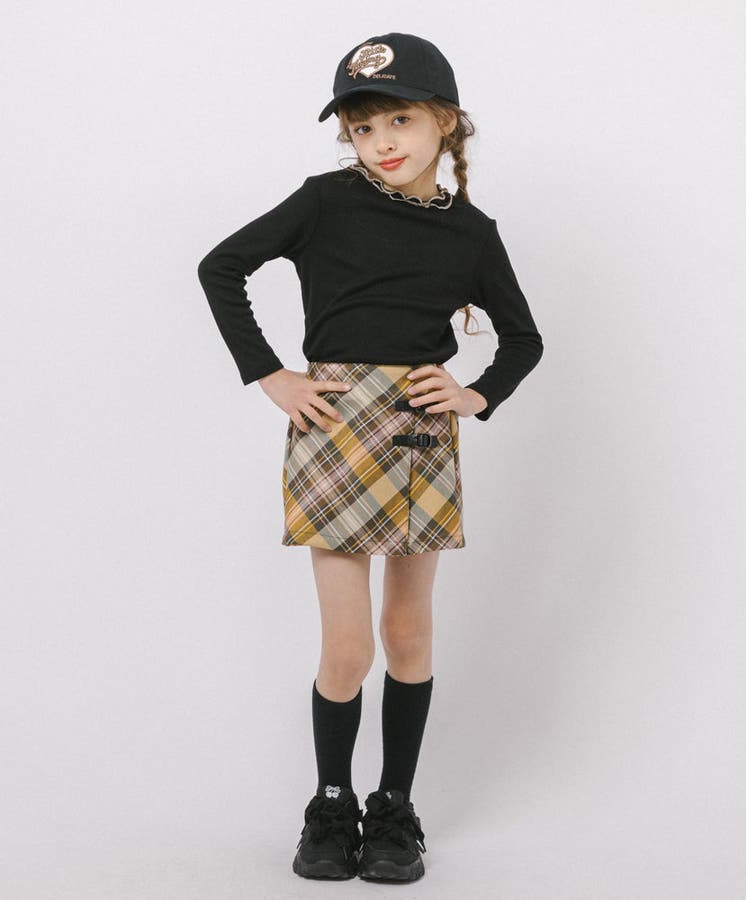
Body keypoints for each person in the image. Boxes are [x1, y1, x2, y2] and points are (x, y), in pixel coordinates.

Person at [197, 31, 544, 883]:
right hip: (333, 427)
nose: (381, 141)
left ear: (445, 122)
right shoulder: (325, 202)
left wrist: (476, 393)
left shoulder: (471, 233)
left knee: (409, 632)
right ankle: (330, 804)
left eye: (399, 120)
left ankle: (394, 809)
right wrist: (271, 375)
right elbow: (221, 267)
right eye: (361, 127)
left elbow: (524, 339)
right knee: (349, 648)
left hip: (421, 436)